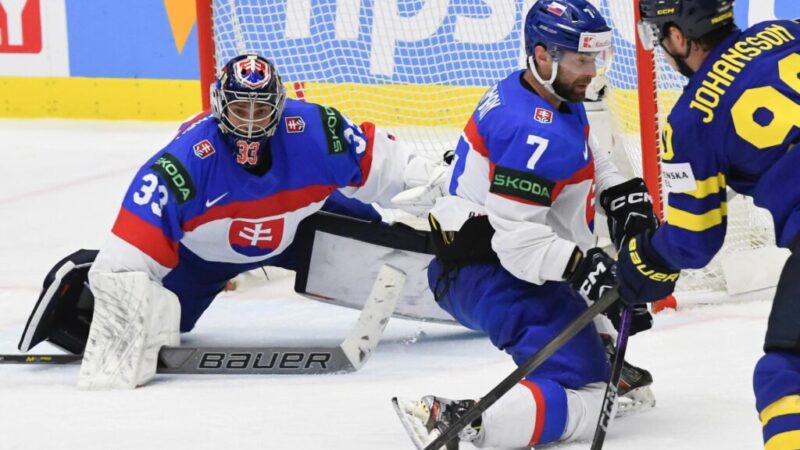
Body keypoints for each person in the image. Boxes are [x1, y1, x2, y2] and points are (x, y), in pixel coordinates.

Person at [19, 54, 426, 389]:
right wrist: (115, 296)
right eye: (240, 108)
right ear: (219, 106)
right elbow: (135, 241)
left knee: (383, 242)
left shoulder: (316, 129)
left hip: (301, 224)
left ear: (279, 107)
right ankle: (85, 280)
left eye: (261, 109)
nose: (250, 121)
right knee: (167, 325)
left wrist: (437, 189)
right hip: (202, 259)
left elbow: (387, 167)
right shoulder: (182, 164)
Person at [394, 1, 659, 448]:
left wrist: (618, 192)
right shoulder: (533, 132)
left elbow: (587, 157)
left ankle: (594, 345)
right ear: (542, 55)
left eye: (594, 57)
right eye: (581, 59)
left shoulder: (549, 93)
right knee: (593, 396)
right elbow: (516, 242)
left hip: (496, 261)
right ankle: (467, 422)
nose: (591, 70)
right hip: (488, 273)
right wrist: (583, 268)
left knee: (601, 321)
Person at [617, 1, 800, 448]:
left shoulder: (689, 120)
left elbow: (694, 240)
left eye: (660, 36)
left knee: (785, 372)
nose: (660, 48)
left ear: (680, 37)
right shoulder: (787, 30)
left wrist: (643, 260)